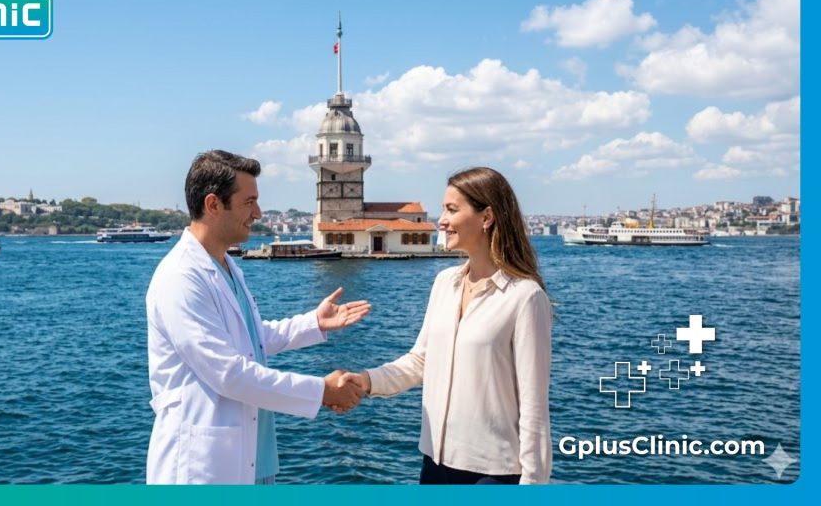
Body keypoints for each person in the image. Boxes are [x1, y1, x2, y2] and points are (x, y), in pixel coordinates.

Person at [145, 150, 370, 485]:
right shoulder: (180, 277)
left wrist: (313, 323)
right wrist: (321, 391)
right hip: (203, 470)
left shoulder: (225, 266)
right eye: (249, 201)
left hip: (253, 460)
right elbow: (229, 373)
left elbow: (249, 339)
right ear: (213, 204)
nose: (258, 213)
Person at [343, 166, 552, 484]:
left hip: (493, 475)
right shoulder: (444, 283)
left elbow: (534, 407)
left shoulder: (525, 297)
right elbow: (421, 361)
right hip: (435, 466)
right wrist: (366, 381)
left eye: (452, 210)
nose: (441, 220)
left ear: (487, 217)